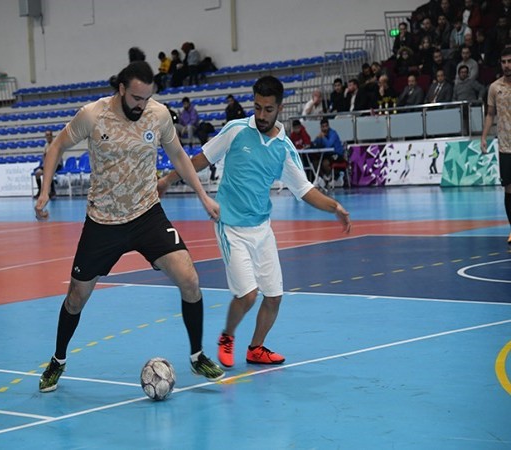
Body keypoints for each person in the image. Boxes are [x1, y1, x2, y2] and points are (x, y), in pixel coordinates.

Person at [34, 61, 225, 392]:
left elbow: (179, 156)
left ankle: (197, 356)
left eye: (147, 98)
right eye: (136, 98)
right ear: (121, 89)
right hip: (103, 222)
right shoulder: (92, 115)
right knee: (76, 298)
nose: (141, 105)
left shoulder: (158, 115)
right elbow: (57, 147)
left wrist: (203, 196)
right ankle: (58, 360)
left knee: (190, 279)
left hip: (147, 215)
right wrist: (44, 191)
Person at [158, 76, 352, 369]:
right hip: (229, 225)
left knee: (273, 297)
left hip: (261, 229)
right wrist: (167, 180)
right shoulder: (236, 130)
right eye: (258, 107)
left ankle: (256, 348)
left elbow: (304, 190)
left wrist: (334, 206)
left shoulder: (284, 148)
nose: (261, 115)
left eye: (268, 109)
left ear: (279, 108)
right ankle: (227, 336)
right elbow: (200, 160)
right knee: (248, 295)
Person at [481, 47, 511, 245]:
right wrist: (483, 137)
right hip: (505, 146)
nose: (507, 65)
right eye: (504, 62)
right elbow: (490, 114)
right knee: (509, 190)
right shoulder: (494, 88)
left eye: (510, 61)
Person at [313, 118, 345, 188]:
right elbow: (316, 144)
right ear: (320, 127)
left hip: (337, 154)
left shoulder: (333, 133)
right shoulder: (321, 134)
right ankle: (324, 178)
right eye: (323, 127)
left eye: (326, 126)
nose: (325, 128)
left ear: (328, 126)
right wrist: (318, 138)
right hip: (327, 154)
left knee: (325, 163)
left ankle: (336, 176)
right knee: (315, 162)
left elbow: (329, 145)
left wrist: (323, 137)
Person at [33, 130, 61, 199]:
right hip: (48, 164)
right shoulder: (46, 145)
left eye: (49, 135)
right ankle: (40, 191)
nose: (48, 137)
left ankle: (52, 191)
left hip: (57, 164)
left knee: (48, 172)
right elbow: (44, 155)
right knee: (37, 173)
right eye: (47, 135)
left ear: (52, 136)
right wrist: (44, 163)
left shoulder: (56, 143)